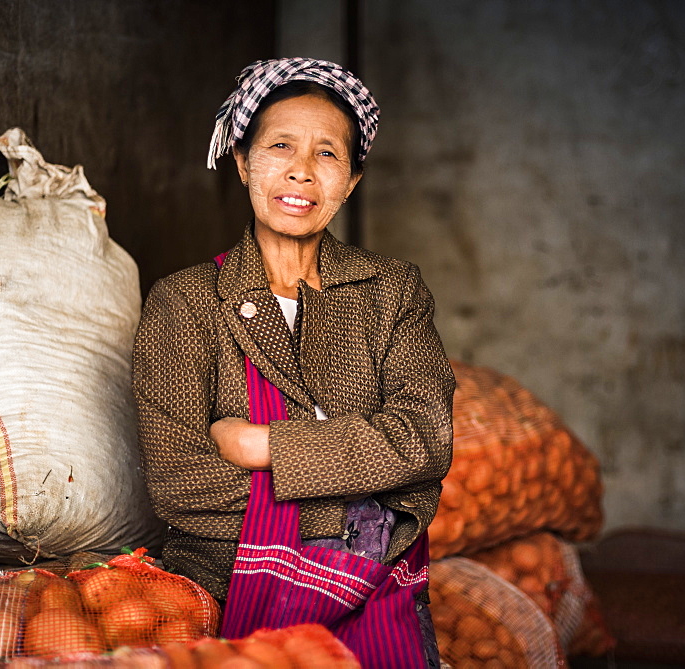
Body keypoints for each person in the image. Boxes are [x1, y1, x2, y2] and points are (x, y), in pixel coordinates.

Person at [132, 57, 455, 667]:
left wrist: (267, 447)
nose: (301, 172)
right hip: (223, 587)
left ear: (352, 181)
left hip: (375, 586)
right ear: (242, 161)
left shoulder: (392, 291)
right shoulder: (185, 301)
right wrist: (359, 509)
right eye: (280, 145)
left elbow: (425, 441)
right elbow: (179, 485)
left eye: (328, 154)